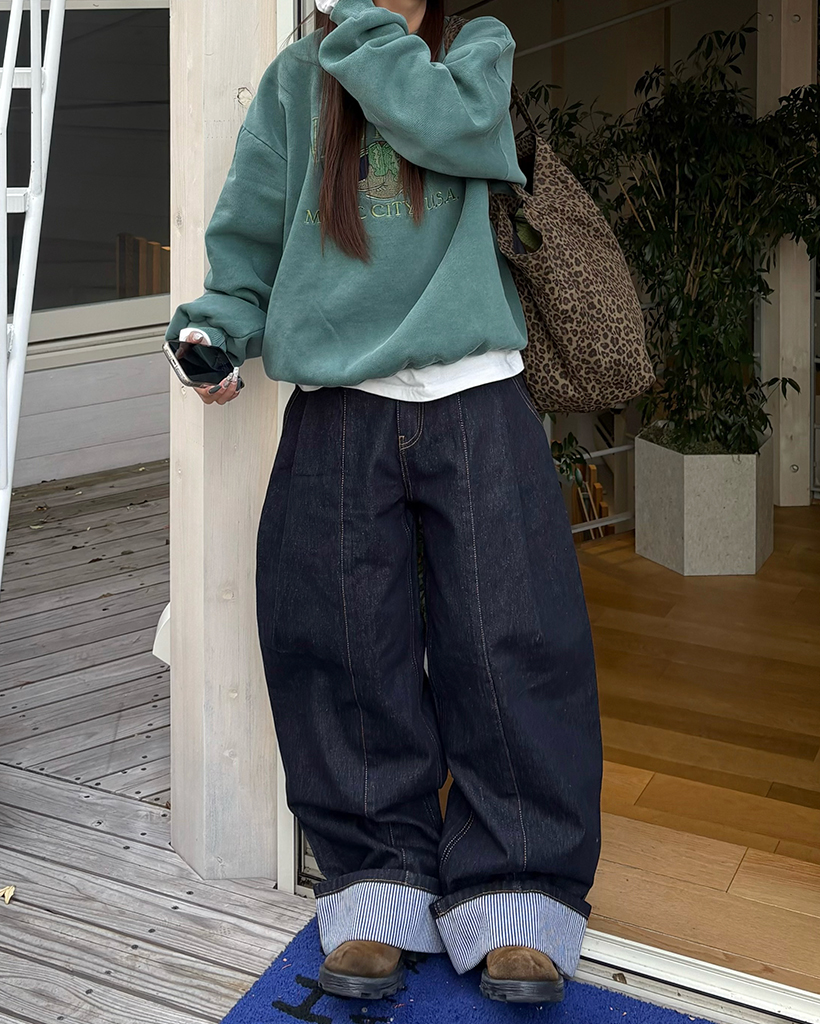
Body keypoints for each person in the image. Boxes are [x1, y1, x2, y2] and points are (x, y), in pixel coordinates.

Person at [167, 0, 603, 1006]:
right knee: (339, 643)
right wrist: (215, 331)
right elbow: (251, 240)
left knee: (510, 643)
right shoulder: (296, 80)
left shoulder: (476, 52)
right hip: (339, 406)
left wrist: (356, 27)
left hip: (476, 395)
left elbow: (453, 129)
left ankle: (519, 897)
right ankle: (377, 887)